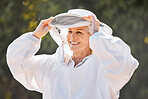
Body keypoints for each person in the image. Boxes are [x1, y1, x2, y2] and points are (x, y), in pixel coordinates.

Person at [6, 9, 139, 99]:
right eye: (70, 32)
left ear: (91, 36)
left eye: (79, 32)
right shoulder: (50, 65)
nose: (72, 37)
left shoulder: (105, 67)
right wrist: (35, 36)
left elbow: (125, 64)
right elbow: (17, 63)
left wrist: (99, 36)